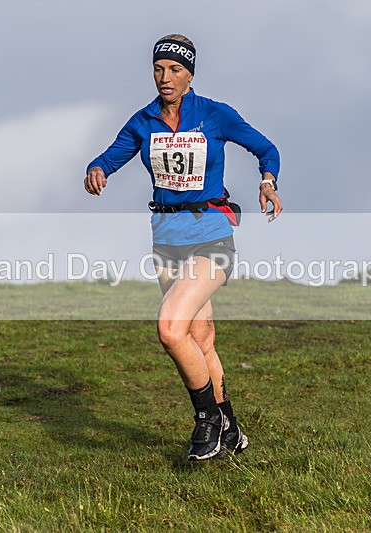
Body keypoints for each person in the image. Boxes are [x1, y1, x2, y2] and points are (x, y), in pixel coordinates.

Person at [83, 34, 282, 461]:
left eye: (174, 70)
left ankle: (206, 420)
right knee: (200, 337)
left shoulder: (214, 115)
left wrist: (268, 182)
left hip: (212, 235)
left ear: (190, 74)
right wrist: (96, 169)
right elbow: (110, 156)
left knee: (170, 329)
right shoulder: (144, 121)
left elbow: (266, 149)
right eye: (158, 69)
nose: (165, 78)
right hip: (166, 242)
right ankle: (230, 429)